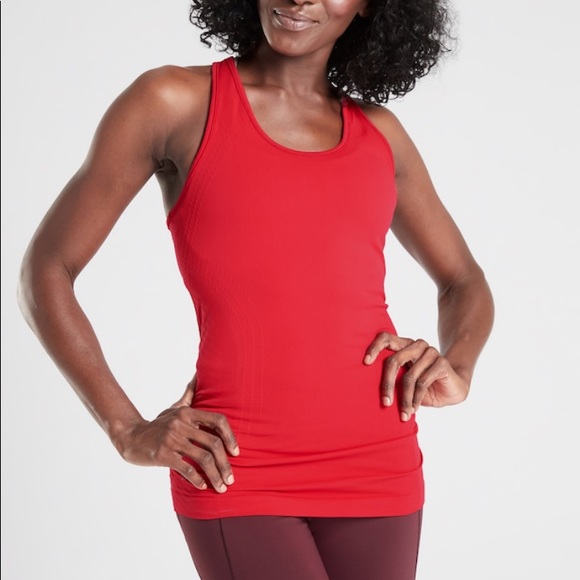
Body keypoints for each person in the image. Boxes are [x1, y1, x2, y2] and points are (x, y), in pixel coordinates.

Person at [18, 0, 494, 578]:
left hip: (379, 463)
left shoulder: (381, 135)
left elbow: (463, 280)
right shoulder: (173, 102)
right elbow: (47, 269)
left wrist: (458, 365)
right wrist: (127, 428)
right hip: (235, 465)